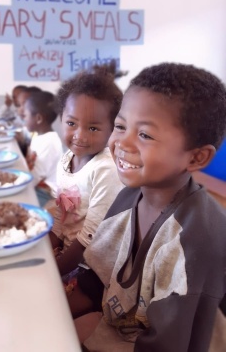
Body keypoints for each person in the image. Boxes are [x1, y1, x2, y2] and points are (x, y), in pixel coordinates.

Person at [68, 62, 226, 352]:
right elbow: (97, 278)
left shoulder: (197, 240)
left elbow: (174, 343)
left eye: (145, 135)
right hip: (126, 326)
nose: (121, 143)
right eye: (120, 126)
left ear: (196, 158)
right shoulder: (129, 196)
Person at [49, 64, 125, 290]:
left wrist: (53, 271)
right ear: (61, 118)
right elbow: (59, 214)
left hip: (91, 269)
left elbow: (90, 240)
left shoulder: (105, 169)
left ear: (112, 128)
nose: (80, 136)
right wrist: (46, 249)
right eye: (71, 123)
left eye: (93, 128)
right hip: (67, 254)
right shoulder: (66, 159)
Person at [22, 90, 64, 207]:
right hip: (38, 185)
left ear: (38, 119)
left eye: (25, 116)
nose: (24, 119)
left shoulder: (49, 142)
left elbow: (34, 178)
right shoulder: (39, 135)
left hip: (46, 193)